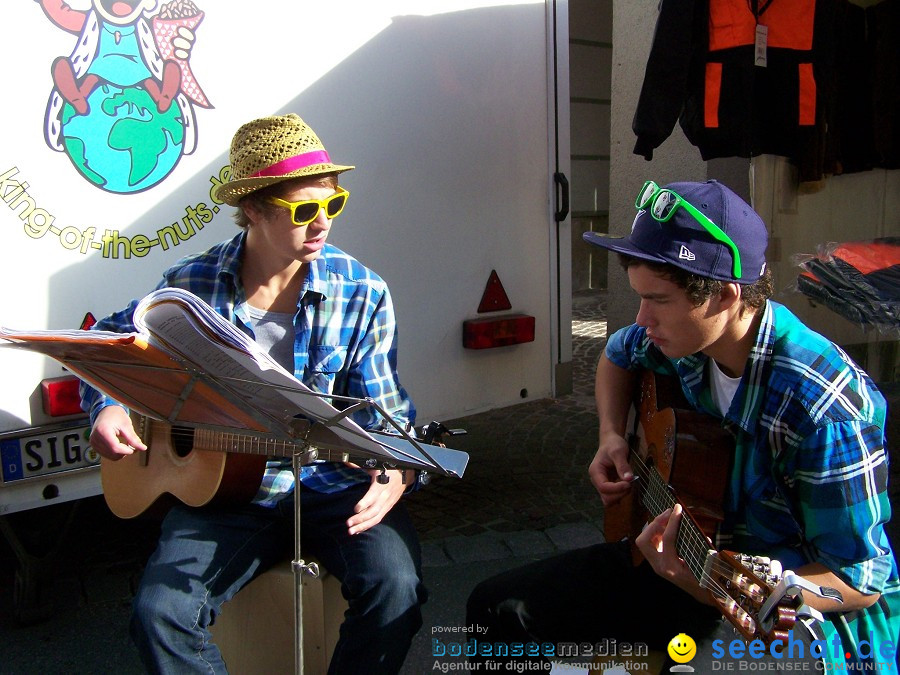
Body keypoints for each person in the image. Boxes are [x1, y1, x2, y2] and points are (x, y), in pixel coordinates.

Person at [466, 179, 898, 671]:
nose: (642, 318)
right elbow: (616, 354)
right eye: (639, 297)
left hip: (782, 619)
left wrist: (709, 583)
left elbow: (860, 582)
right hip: (682, 559)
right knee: (494, 609)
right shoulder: (684, 342)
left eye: (659, 300)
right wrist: (611, 436)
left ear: (725, 297)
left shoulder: (823, 408)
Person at [81, 113, 426, 674]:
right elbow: (104, 340)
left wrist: (398, 470)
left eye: (332, 205)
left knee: (397, 589)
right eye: (303, 211)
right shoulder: (190, 286)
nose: (322, 225)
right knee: (158, 613)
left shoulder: (362, 289)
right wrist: (109, 402)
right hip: (226, 498)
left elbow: (388, 413)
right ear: (253, 210)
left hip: (333, 486)